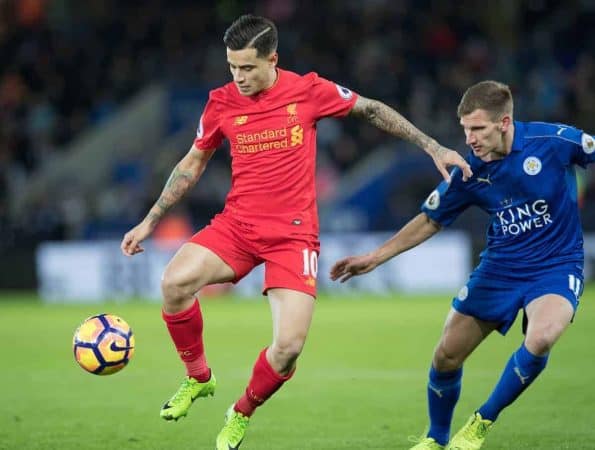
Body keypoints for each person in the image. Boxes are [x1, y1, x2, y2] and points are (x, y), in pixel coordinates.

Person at [120, 14, 472, 450]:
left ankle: (241, 411)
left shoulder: (307, 90)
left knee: (287, 348)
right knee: (173, 282)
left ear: (273, 59)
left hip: (293, 236)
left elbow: (372, 109)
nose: (239, 77)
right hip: (238, 227)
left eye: (248, 68)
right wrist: (151, 219)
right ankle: (198, 377)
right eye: (232, 67)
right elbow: (192, 165)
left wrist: (433, 146)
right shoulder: (221, 102)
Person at [330, 79, 594, 449]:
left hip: (556, 265)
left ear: (504, 123)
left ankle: (481, 422)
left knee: (542, 336)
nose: (469, 138)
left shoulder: (552, 142)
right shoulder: (470, 170)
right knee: (446, 354)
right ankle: (436, 438)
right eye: (465, 129)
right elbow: (430, 219)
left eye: (478, 129)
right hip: (500, 268)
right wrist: (374, 257)